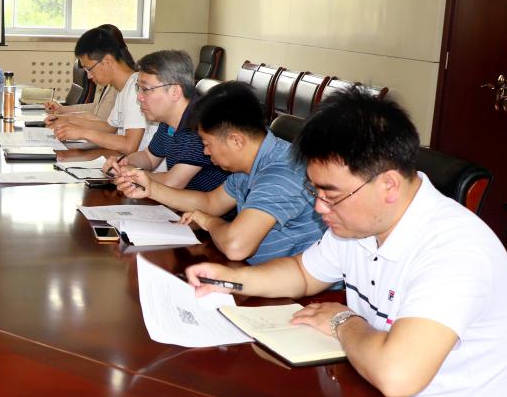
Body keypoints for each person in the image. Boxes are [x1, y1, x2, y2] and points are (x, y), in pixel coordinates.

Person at [182, 88, 507, 397]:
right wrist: (227, 279)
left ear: (389, 185)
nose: (319, 207)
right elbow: (302, 273)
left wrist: (343, 321)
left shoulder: (455, 251)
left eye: (330, 194)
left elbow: (397, 375)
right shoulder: (360, 225)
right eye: (315, 191)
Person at [116, 81, 324, 263]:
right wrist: (151, 188)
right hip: (255, 271)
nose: (205, 152)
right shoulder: (253, 159)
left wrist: (209, 221)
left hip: (291, 288)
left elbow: (236, 247)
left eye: (207, 144)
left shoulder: (281, 173)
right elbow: (211, 202)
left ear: (236, 141)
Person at [102, 50, 227, 193]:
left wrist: (129, 173)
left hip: (206, 206)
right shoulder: (169, 119)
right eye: (138, 88)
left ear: (175, 92)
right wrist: (123, 163)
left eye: (145, 89)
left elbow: (173, 183)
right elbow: (149, 157)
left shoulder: (199, 125)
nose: (139, 97)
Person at [50, 26, 153, 154]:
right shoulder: (122, 88)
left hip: (142, 165)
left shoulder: (135, 88)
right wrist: (67, 121)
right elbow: (109, 128)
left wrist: (82, 133)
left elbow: (130, 145)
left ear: (107, 61)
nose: (89, 76)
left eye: (89, 69)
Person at [45, 23, 126, 123]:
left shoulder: (122, 83)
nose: (89, 76)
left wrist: (68, 118)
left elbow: (107, 126)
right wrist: (62, 110)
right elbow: (97, 108)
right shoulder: (111, 79)